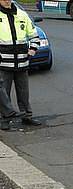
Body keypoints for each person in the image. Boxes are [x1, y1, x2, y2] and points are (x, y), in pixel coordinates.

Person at [0, 0, 42, 130]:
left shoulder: (22, 14)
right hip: (4, 62)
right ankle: (4, 119)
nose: (7, 0)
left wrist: (33, 49)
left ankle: (27, 116)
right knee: (4, 94)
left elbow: (34, 35)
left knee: (24, 92)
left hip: (22, 61)